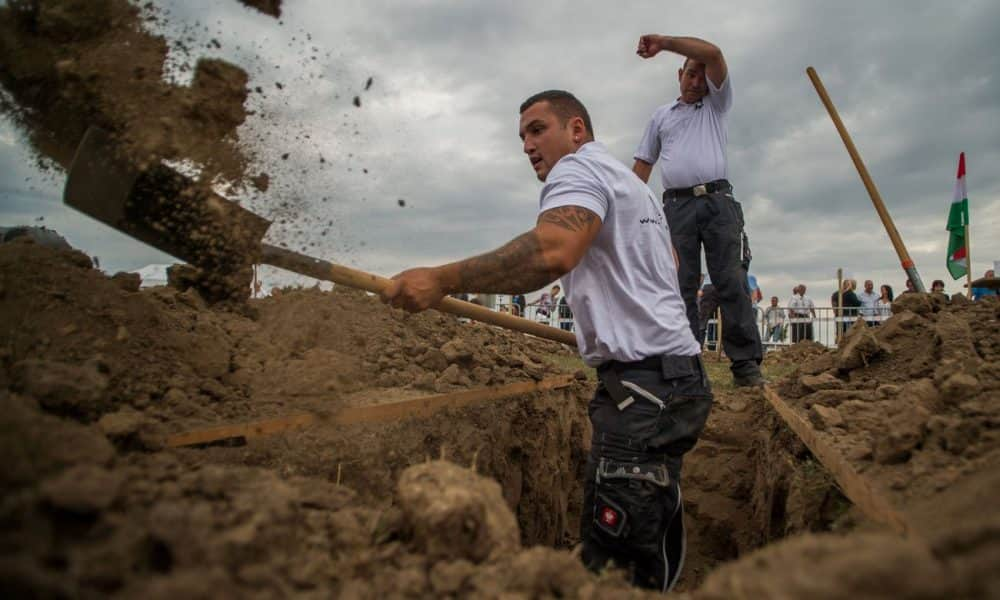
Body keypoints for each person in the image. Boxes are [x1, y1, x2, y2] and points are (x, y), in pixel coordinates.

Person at [381, 90, 711, 592]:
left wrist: (442, 278)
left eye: (538, 130)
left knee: (613, 571)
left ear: (576, 130)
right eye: (522, 137)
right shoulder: (632, 185)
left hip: (642, 391)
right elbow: (671, 266)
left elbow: (553, 250)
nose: (527, 145)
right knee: (649, 537)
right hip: (676, 380)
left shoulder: (576, 171)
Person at [631, 33, 763, 387]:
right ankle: (683, 366)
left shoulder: (717, 104)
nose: (695, 82)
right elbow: (643, 164)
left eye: (702, 76)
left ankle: (746, 367)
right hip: (676, 207)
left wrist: (664, 41)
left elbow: (715, 53)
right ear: (679, 74)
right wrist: (626, 207)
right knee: (679, 284)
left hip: (718, 202)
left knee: (731, 280)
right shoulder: (661, 117)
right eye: (690, 74)